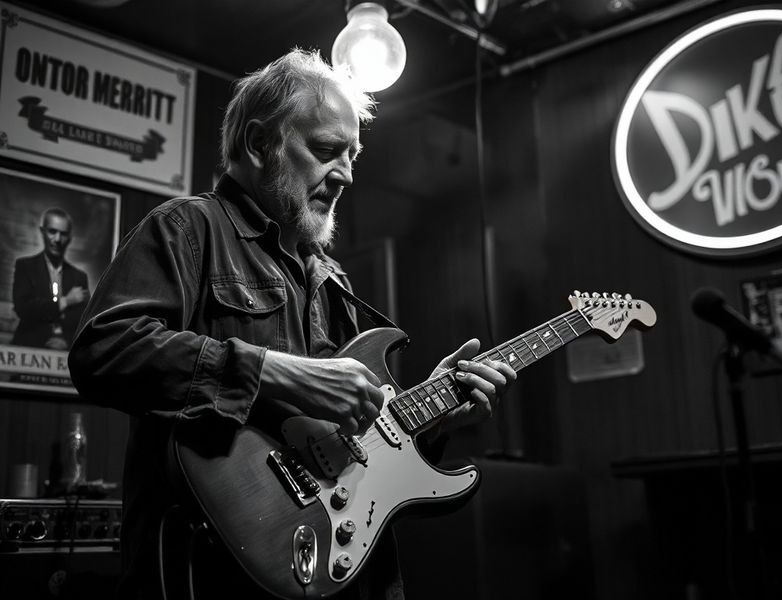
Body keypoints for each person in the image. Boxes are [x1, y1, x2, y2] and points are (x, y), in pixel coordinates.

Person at [68, 48, 516, 600]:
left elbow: (356, 448)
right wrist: (273, 372)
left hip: (343, 571)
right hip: (212, 569)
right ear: (260, 144)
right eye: (328, 150)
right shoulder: (187, 228)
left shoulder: (332, 278)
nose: (347, 174)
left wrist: (434, 416)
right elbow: (104, 351)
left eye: (353, 154)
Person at [12, 207, 90, 350]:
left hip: (65, 356)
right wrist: (66, 301)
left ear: (70, 238)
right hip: (27, 352)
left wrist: (66, 341)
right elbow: (23, 309)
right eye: (52, 231)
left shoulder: (79, 277)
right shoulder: (25, 266)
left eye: (63, 234)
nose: (57, 239)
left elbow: (83, 322)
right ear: (42, 232)